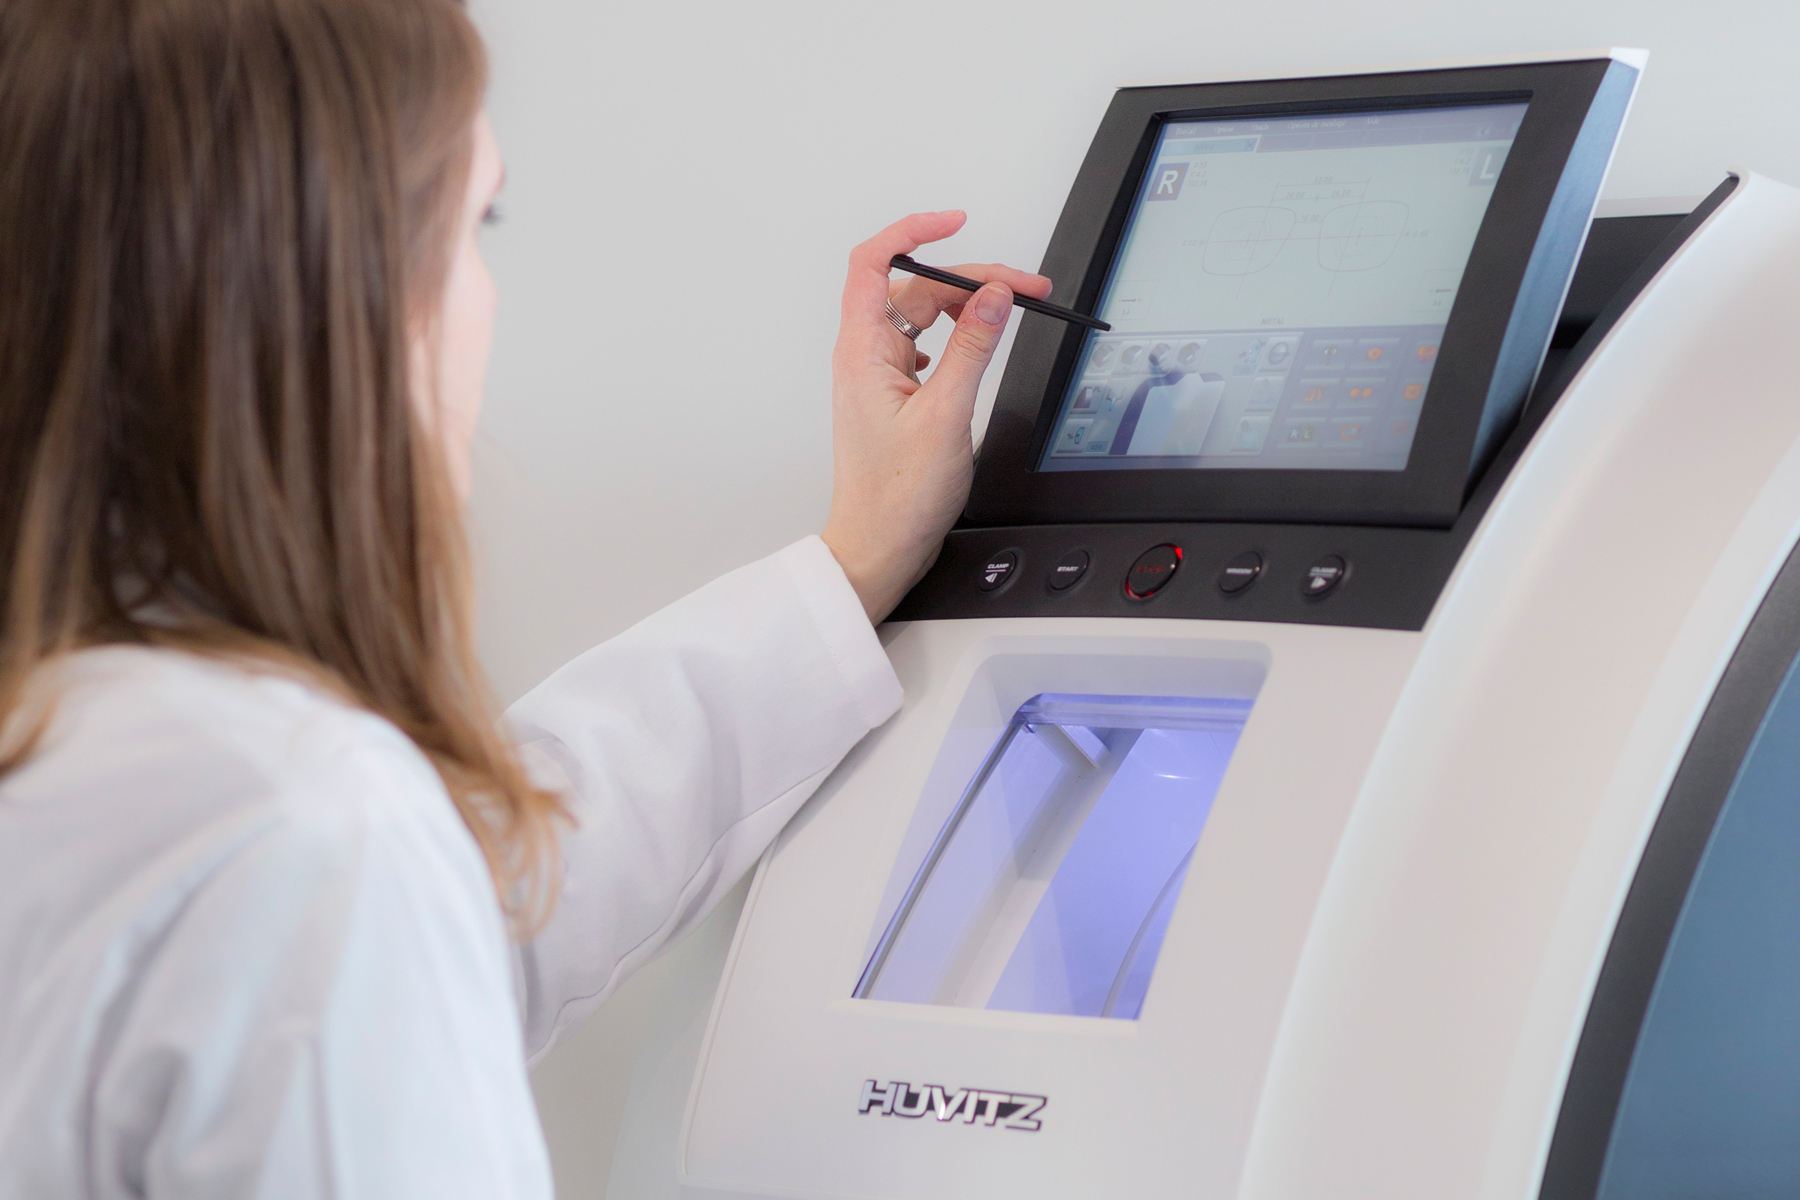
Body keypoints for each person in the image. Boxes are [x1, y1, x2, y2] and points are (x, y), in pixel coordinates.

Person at [0, 0, 1053, 1194]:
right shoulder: (300, 834)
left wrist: (855, 557)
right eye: (476, 219)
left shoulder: (135, 765)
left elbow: (478, 894)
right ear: (326, 287)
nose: (485, 294)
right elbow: (371, 907)